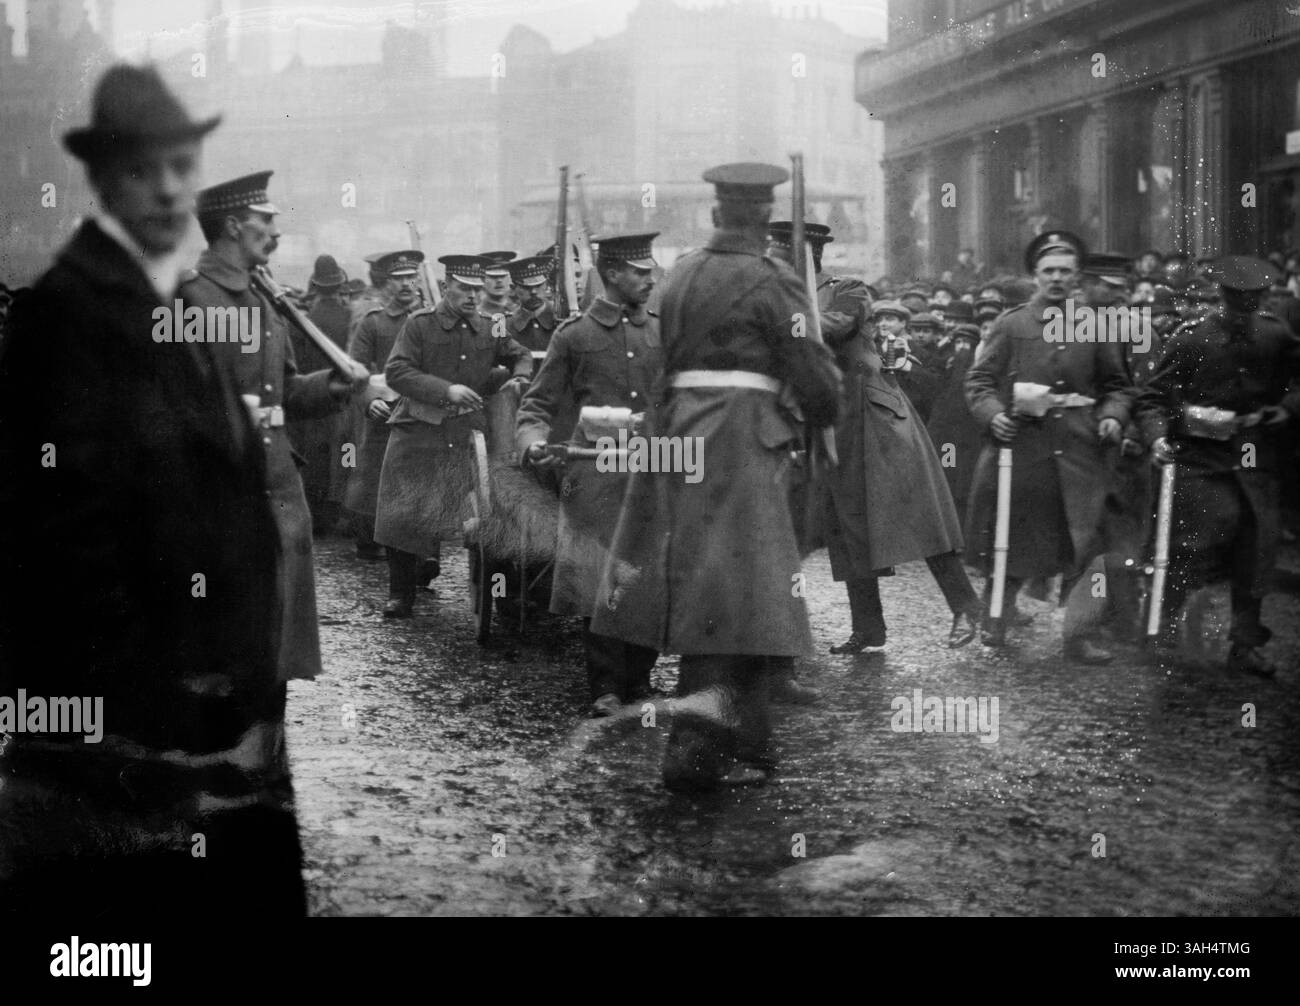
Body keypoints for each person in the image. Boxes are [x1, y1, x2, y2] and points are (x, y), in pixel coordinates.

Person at [0, 64, 305, 916]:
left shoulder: (166, 295)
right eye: (144, 170)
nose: (169, 188)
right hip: (132, 709)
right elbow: (64, 533)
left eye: (182, 167)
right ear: (103, 182)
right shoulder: (67, 313)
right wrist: (154, 707)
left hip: (198, 684)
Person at [590, 163, 842, 792]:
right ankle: (701, 749)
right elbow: (813, 371)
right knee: (742, 592)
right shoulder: (773, 280)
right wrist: (825, 410)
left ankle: (743, 744)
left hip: (679, 438)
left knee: (718, 589)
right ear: (763, 219)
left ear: (714, 214)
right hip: (742, 441)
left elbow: (665, 361)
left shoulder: (678, 276)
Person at [180, 171, 361, 682]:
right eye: (266, 222)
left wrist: (332, 386)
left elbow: (284, 393)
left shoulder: (265, 304)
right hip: (219, 486)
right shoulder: (189, 301)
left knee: (275, 642)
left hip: (278, 483)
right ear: (234, 226)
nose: (276, 233)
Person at [964, 230, 1133, 662]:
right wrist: (993, 414)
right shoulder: (1012, 323)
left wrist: (1113, 414)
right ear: (1035, 275)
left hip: (1080, 447)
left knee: (1082, 540)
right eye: (1048, 271)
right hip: (1024, 445)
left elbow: (1117, 385)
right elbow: (980, 381)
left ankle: (1079, 633)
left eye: (1065, 271)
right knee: (1015, 533)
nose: (1057, 278)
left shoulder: (1097, 325)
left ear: (1077, 276)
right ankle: (997, 615)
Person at [516, 233, 663, 717]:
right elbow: (537, 403)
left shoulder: (662, 332)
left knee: (647, 575)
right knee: (596, 578)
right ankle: (605, 685)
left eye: (651, 271)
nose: (651, 278)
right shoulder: (574, 336)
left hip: (652, 471)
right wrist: (532, 440)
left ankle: (640, 677)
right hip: (594, 474)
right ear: (613, 273)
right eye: (641, 272)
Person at [1135, 256, 1300, 677]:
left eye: (1256, 300)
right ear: (1222, 298)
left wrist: (1284, 409)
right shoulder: (1192, 340)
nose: (1247, 308)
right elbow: (1154, 396)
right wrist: (1158, 437)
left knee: (1256, 549)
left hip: (1254, 458)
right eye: (1239, 300)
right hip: (1200, 458)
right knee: (1192, 545)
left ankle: (1245, 644)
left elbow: (1295, 385)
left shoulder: (1276, 336)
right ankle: (1162, 625)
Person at [375, 255, 532, 618]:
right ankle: (400, 592)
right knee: (401, 508)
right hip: (419, 427)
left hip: (467, 432)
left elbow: (519, 353)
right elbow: (396, 371)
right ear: (446, 288)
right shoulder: (420, 325)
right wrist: (447, 390)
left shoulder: (491, 326)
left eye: (478, 289)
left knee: (493, 506)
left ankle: (503, 593)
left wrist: (520, 376)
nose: (473, 296)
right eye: (464, 288)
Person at [345, 250, 425, 560]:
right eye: (399, 278)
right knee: (372, 477)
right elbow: (355, 372)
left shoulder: (430, 320)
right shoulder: (373, 323)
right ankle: (369, 537)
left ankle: (419, 555)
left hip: (422, 412)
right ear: (385, 283)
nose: (407, 284)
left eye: (411, 277)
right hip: (385, 412)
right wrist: (370, 401)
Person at [291, 254, 353, 536]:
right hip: (343, 396)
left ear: (314, 286)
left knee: (313, 457)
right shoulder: (350, 316)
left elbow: (298, 363)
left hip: (313, 393)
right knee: (343, 455)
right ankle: (340, 513)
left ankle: (316, 519)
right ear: (340, 285)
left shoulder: (304, 320)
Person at [506, 255, 561, 353]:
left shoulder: (560, 319)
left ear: (546, 285)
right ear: (514, 289)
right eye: (526, 287)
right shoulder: (506, 326)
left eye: (538, 285)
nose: (534, 292)